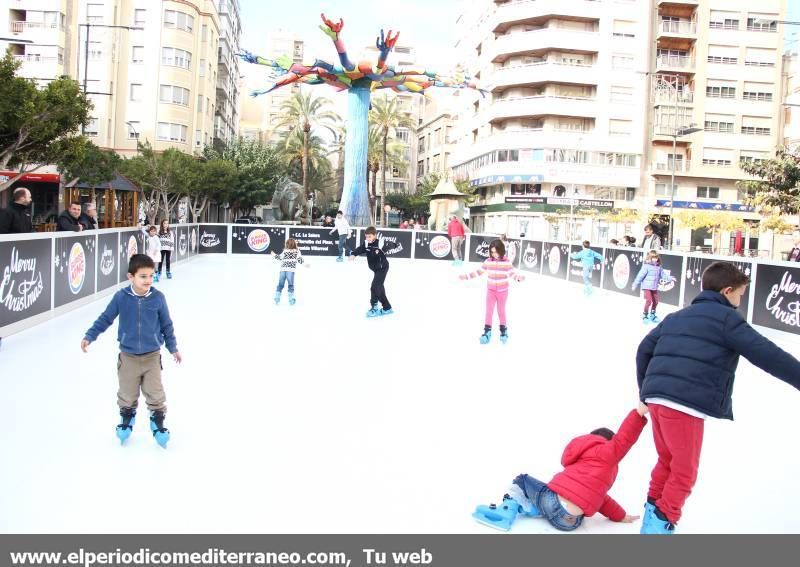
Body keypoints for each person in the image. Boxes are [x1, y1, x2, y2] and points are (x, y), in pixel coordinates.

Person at [636, 261, 800, 534]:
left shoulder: (676, 316)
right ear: (727, 291)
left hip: (657, 400)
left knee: (667, 463)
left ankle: (651, 520)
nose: (740, 301)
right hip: (683, 405)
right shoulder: (727, 319)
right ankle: (656, 531)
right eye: (740, 294)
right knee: (684, 472)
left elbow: (644, 349)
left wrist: (645, 391)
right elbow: (767, 354)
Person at [473, 404, 649, 532]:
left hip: (554, 504)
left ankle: (506, 512)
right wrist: (621, 516)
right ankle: (534, 508)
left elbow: (624, 439)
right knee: (559, 495)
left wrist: (639, 413)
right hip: (571, 522)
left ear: (591, 439)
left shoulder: (599, 450)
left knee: (522, 480)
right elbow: (603, 500)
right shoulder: (606, 470)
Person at [81, 254, 182, 448]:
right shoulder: (121, 297)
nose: (148, 280)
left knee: (155, 392)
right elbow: (105, 318)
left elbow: (167, 326)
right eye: (143, 276)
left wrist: (173, 348)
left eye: (151, 276)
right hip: (128, 357)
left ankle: (158, 421)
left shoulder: (158, 298)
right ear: (131, 277)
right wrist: (90, 335)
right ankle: (126, 418)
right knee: (127, 393)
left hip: (152, 356)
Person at [459, 239, 524, 344]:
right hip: (491, 291)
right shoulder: (488, 261)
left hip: (503, 291)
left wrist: (518, 278)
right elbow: (478, 272)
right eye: (492, 252)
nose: (494, 254)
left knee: (501, 311)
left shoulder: (507, 262)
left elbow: (512, 274)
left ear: (501, 250)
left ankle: (503, 331)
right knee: (489, 311)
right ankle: (487, 332)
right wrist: (466, 276)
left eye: (496, 251)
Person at [350, 226, 398, 317]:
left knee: (374, 287)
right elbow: (360, 249)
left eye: (370, 236)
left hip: (382, 268)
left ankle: (374, 308)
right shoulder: (366, 243)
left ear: (375, 236)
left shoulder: (380, 243)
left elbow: (390, 244)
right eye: (366, 236)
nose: (367, 238)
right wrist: (353, 254)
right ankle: (387, 308)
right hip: (376, 269)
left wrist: (394, 245)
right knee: (379, 289)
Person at [632, 250, 663, 323]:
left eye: (656, 258)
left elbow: (663, 275)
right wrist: (635, 284)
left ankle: (652, 314)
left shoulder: (659, 267)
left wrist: (670, 278)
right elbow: (640, 276)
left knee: (656, 301)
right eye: (653, 258)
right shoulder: (646, 266)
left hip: (654, 287)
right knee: (649, 300)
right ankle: (645, 315)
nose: (655, 259)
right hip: (647, 287)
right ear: (650, 258)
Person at [271, 238, 305, 305]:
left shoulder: (285, 251)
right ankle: (291, 299)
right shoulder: (297, 251)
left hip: (283, 270)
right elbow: (300, 260)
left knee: (280, 285)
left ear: (287, 244)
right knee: (290, 285)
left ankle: (277, 297)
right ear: (295, 244)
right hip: (290, 270)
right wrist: (305, 264)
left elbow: (279, 258)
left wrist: (274, 254)